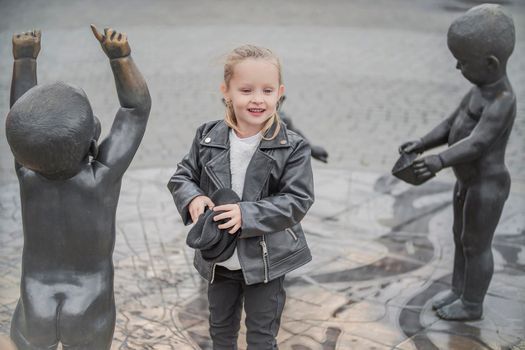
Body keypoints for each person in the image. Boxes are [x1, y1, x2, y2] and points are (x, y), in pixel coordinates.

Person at [6, 26, 151, 349]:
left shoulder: (27, 170)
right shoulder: (101, 177)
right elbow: (134, 111)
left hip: (35, 299)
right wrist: (121, 58)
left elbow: (22, 118)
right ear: (91, 141)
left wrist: (25, 59)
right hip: (91, 300)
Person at [168, 45, 314, 349]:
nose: (257, 99)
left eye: (267, 90)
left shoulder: (292, 146)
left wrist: (246, 215)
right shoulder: (208, 137)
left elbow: (297, 199)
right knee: (220, 331)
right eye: (246, 90)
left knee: (262, 336)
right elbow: (182, 176)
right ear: (227, 91)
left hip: (266, 263)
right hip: (218, 260)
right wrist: (193, 197)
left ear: (280, 93)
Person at [399, 4, 516, 321]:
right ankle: (459, 290)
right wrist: (423, 143)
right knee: (460, 236)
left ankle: (472, 303)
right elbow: (452, 124)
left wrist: (439, 160)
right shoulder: (478, 90)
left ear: (490, 64)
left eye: (463, 62)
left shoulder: (502, 100)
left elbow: (478, 142)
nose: (456, 68)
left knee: (476, 245)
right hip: (465, 182)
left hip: (487, 186)